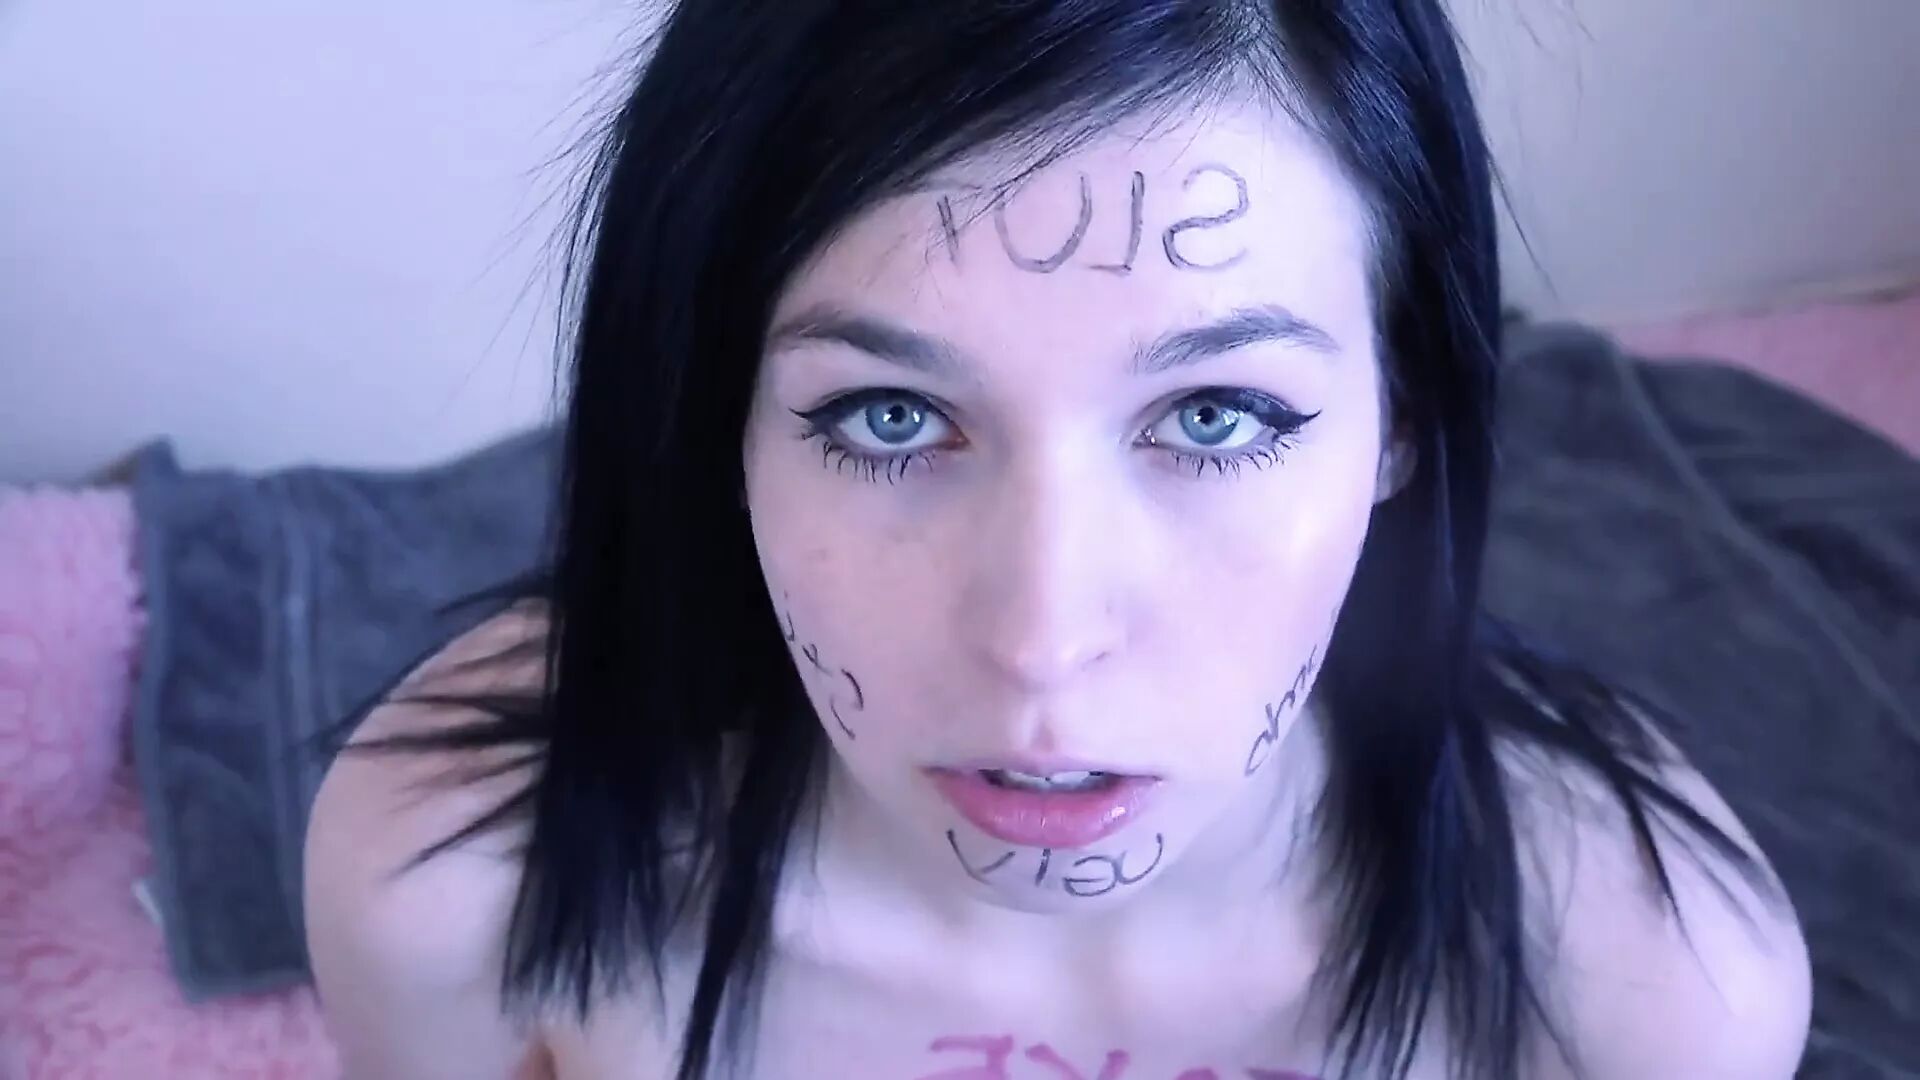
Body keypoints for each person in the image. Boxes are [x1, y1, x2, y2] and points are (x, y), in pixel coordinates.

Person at [302, 2, 1812, 1077]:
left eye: (1214, 416)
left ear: (1403, 416)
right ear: (717, 418)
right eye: (890, 416)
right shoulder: (451, 890)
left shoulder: (1651, 994)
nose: (1041, 642)